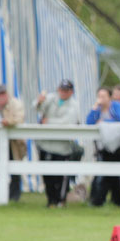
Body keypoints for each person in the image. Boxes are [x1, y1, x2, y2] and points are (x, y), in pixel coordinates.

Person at [35, 80, 80, 208]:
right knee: (47, 174)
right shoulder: (50, 98)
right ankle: (51, 200)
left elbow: (68, 122)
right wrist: (39, 101)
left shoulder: (74, 105)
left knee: (60, 176)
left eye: (66, 90)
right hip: (45, 144)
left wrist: (48, 122)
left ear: (71, 92)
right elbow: (37, 107)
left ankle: (61, 200)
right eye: (61, 90)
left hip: (62, 147)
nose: (63, 93)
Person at [86, 87, 120, 207]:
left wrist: (104, 123)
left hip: (118, 147)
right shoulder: (97, 109)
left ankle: (105, 201)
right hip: (102, 147)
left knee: (114, 175)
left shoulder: (116, 106)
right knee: (106, 175)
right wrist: (94, 109)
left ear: (109, 97)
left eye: (103, 96)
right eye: (99, 96)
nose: (101, 99)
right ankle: (110, 201)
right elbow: (89, 123)